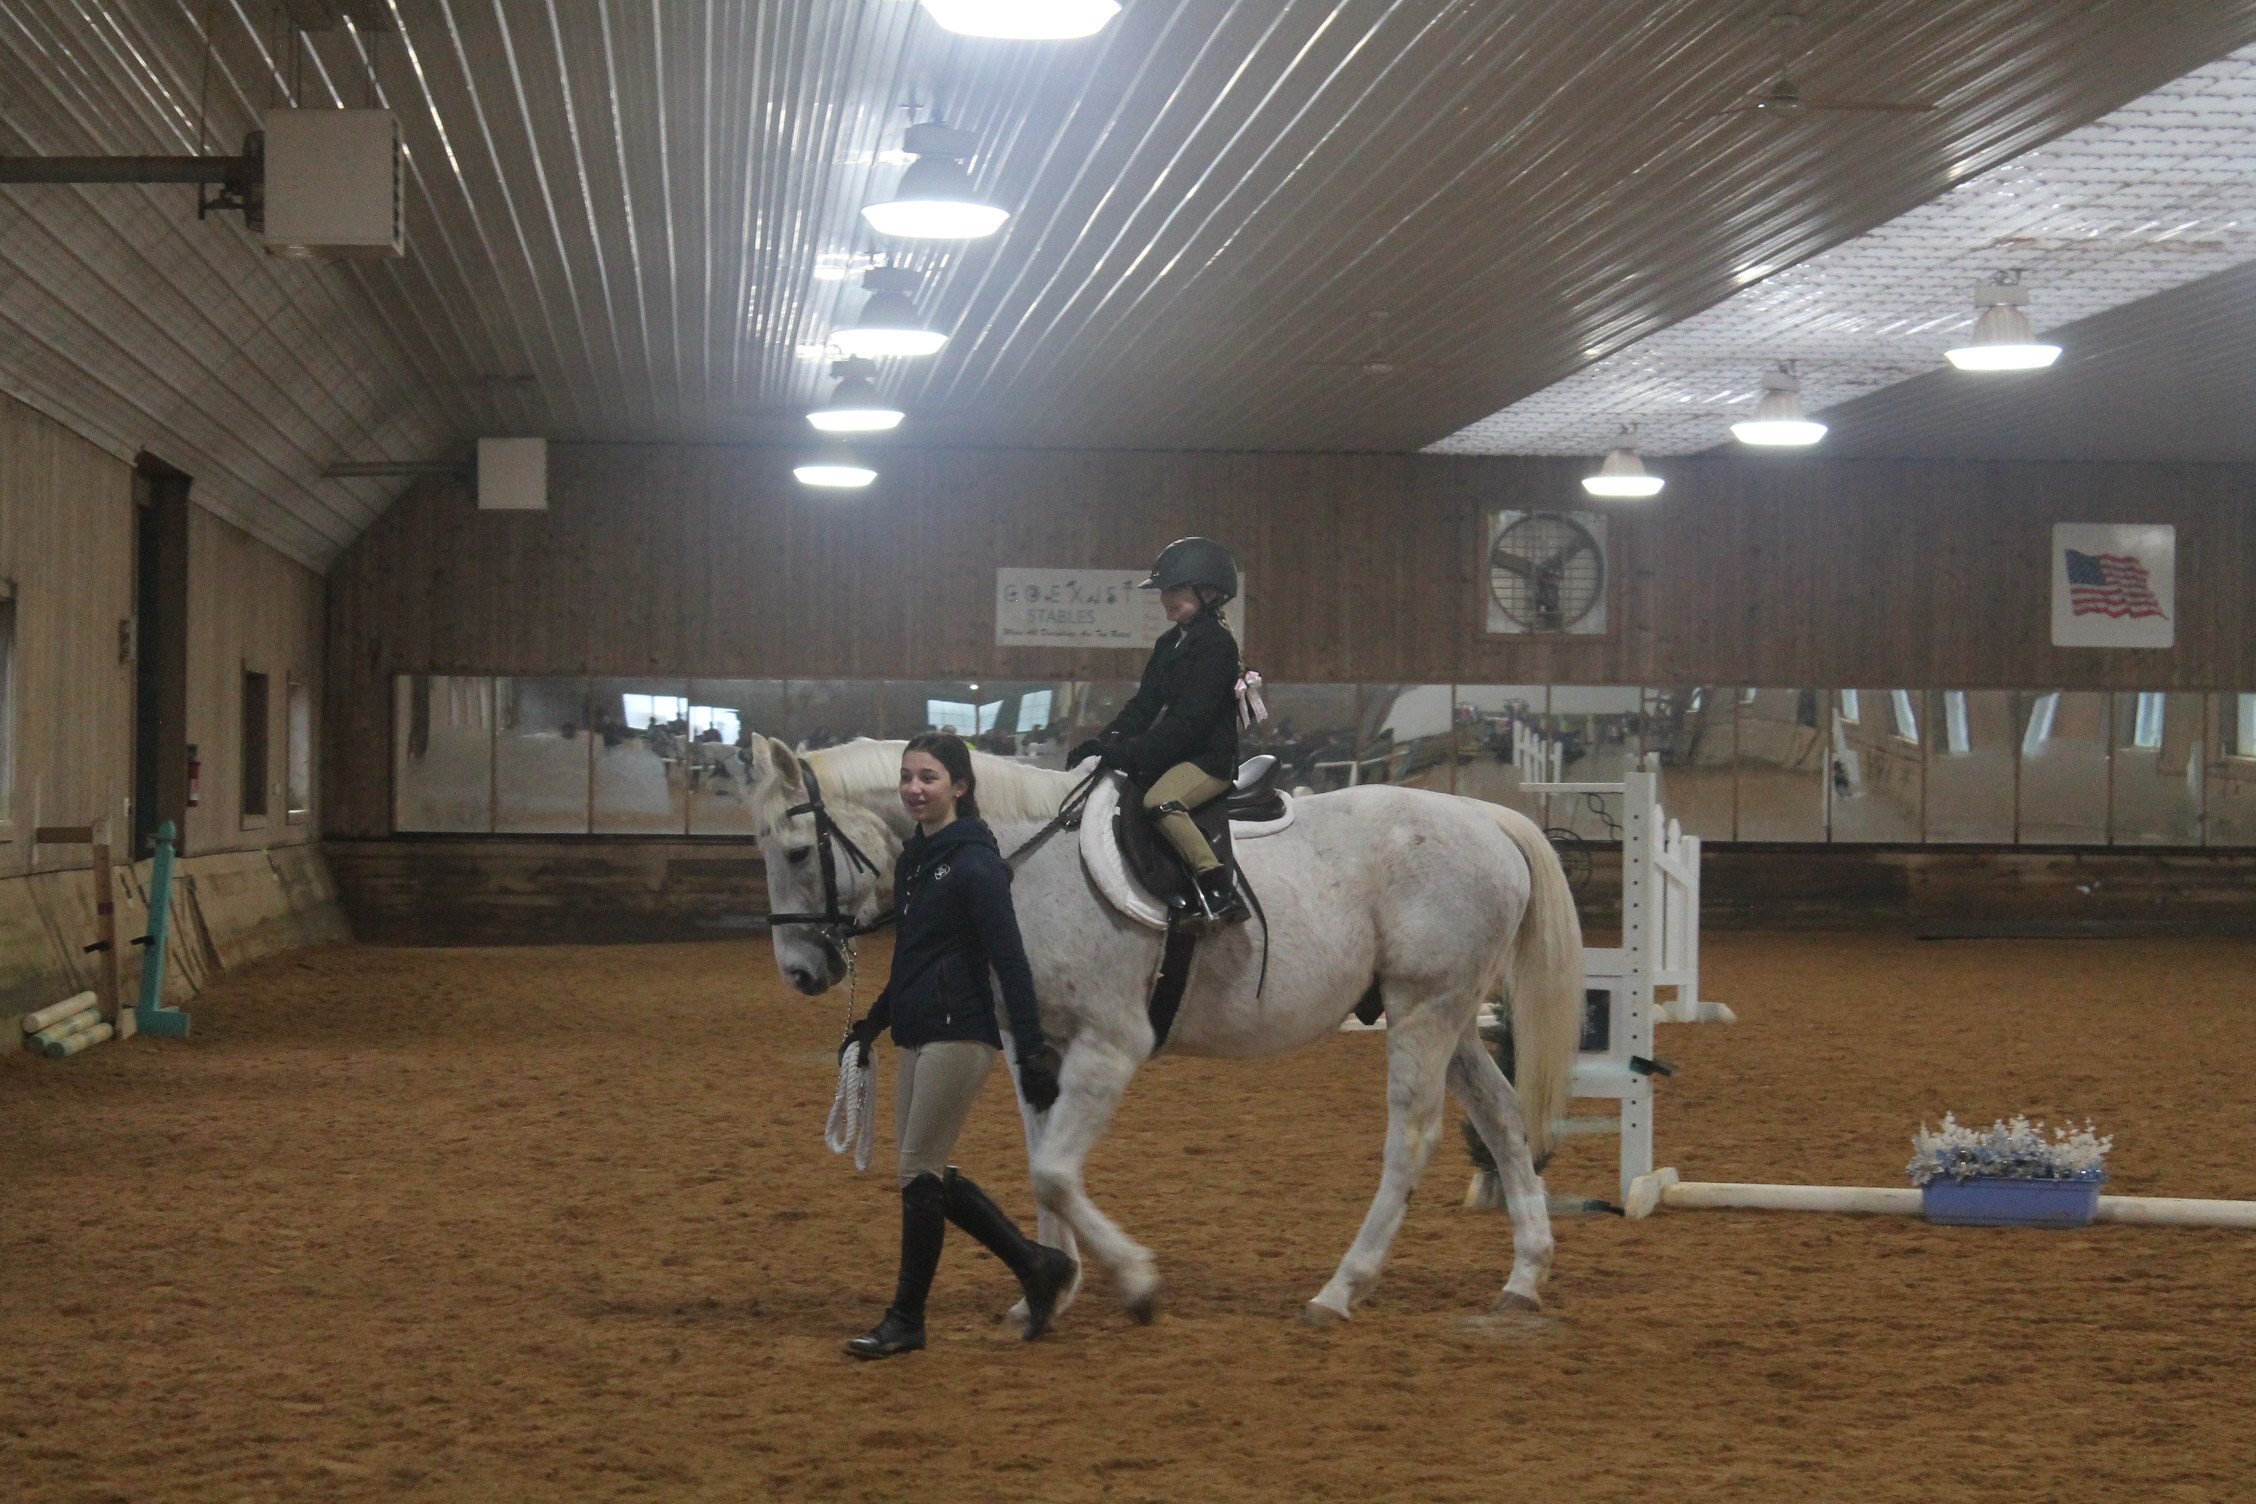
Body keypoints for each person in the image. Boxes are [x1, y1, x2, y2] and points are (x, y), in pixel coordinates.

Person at [836, 732, 1074, 1359]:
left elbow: (1010, 960)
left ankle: (907, 1319)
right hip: (918, 1028)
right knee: (925, 1172)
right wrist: (874, 1023)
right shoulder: (916, 859)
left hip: (960, 1032)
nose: (915, 788)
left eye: (930, 778)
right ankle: (1036, 1263)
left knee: (917, 1173)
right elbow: (912, 956)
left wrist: (1030, 1050)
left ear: (960, 788)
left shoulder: (973, 864)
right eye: (909, 776)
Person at [1068, 537, 1250, 927]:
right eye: (1164, 590)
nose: (1165, 597)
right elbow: (1143, 707)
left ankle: (1218, 887)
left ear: (1207, 591)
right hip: (1176, 751)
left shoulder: (1218, 645)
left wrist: (1129, 753)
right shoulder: (1169, 643)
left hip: (1206, 760)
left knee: (1161, 802)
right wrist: (1104, 742)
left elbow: (1189, 723)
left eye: (1175, 589)